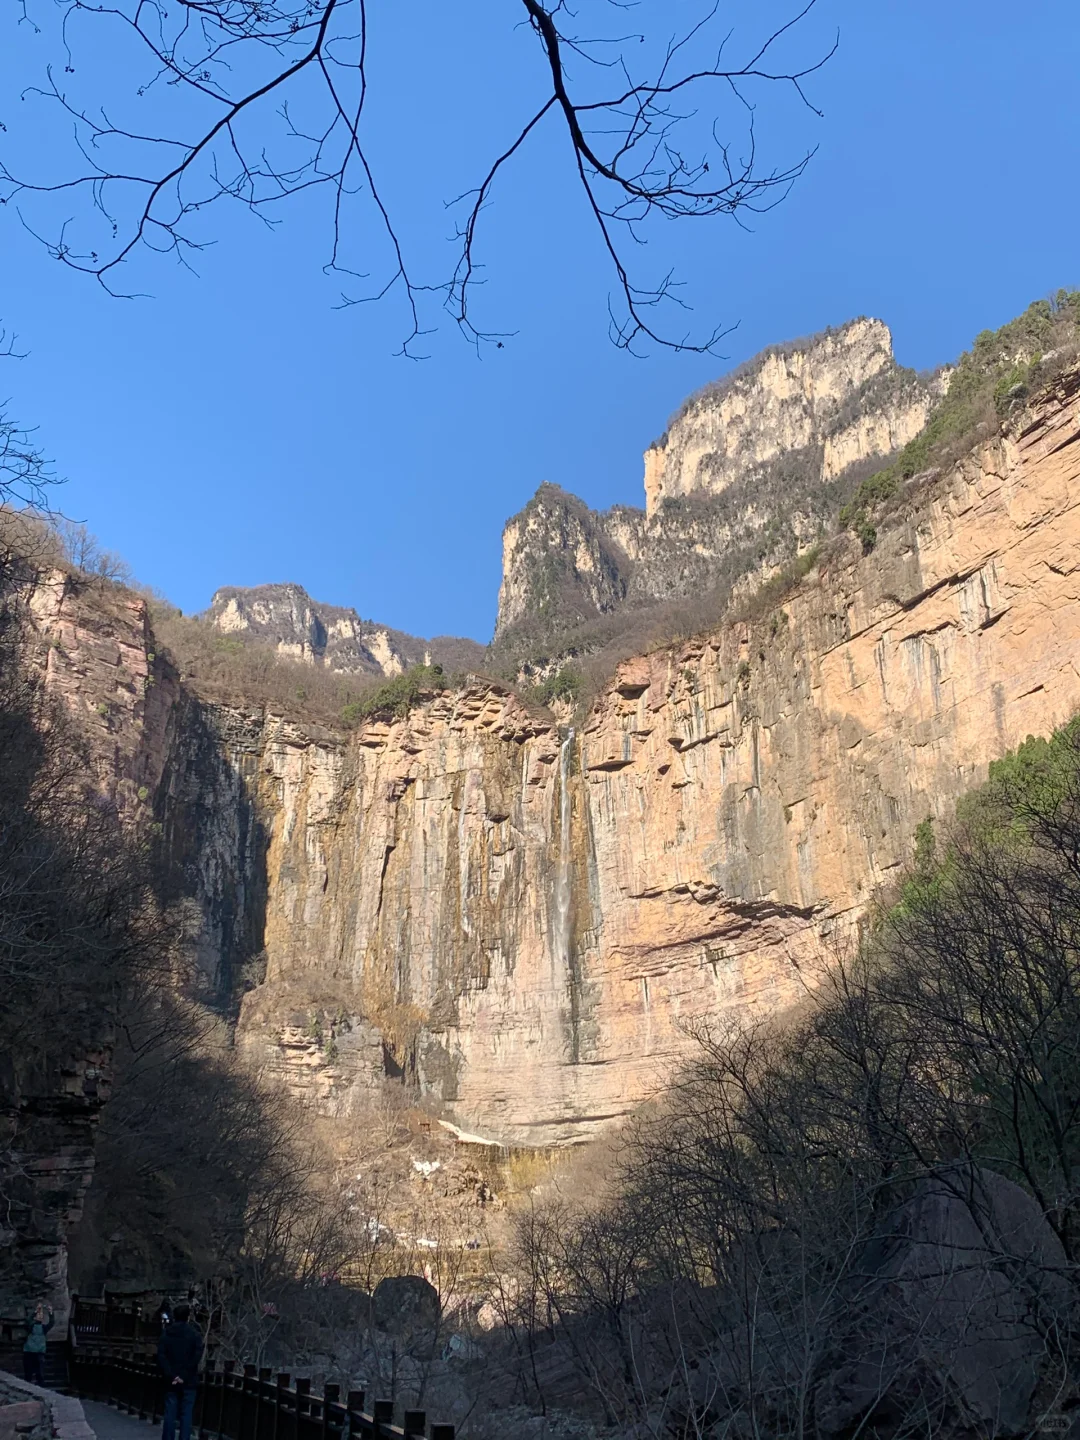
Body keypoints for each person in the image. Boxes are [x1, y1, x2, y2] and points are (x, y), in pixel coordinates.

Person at [156, 1302, 203, 1440]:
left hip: (171, 1380)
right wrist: (183, 1375)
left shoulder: (167, 1334)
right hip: (188, 1380)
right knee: (186, 1414)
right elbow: (196, 1356)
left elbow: (161, 1356)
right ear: (188, 1317)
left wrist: (172, 1374)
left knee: (170, 1413)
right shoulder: (194, 1335)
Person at [22, 1302, 54, 1386]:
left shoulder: (44, 1328)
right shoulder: (31, 1326)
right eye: (39, 1315)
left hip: (39, 1353)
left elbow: (51, 1323)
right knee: (28, 1373)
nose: (40, 1316)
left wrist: (51, 1312)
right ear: (35, 1317)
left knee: (40, 1374)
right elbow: (28, 1320)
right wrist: (36, 1311)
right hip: (29, 1352)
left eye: (41, 1315)